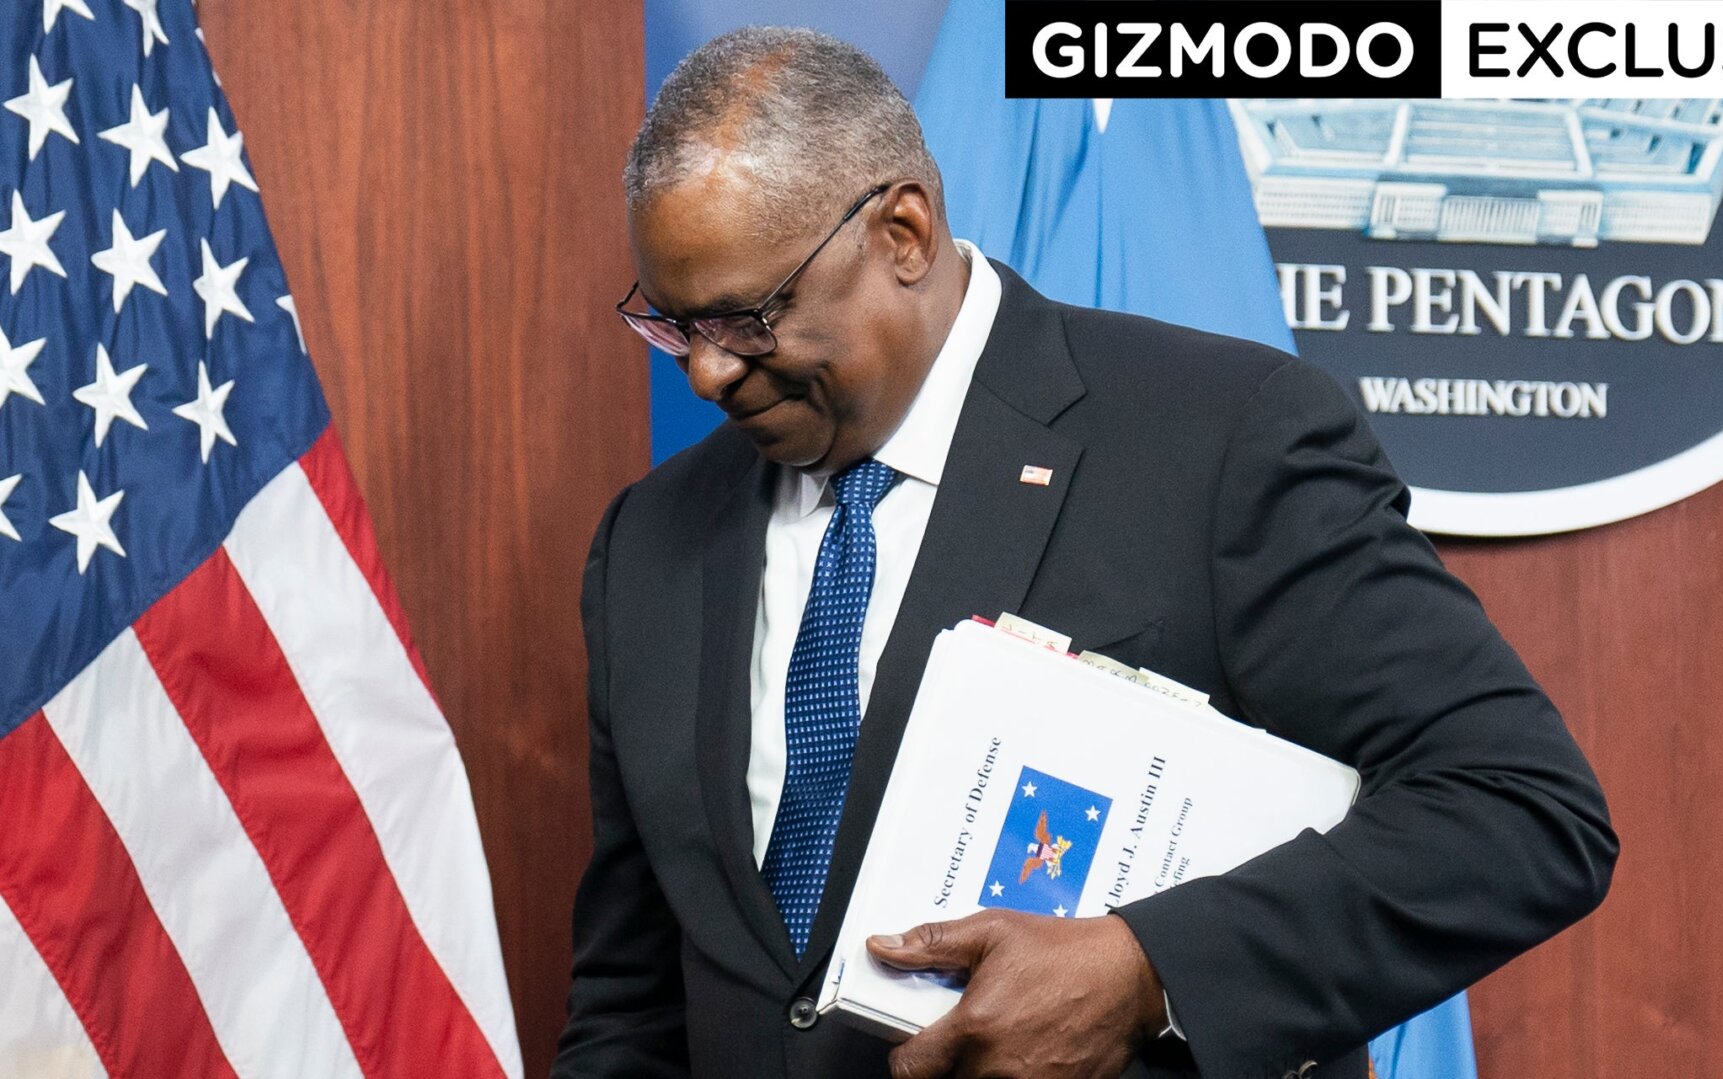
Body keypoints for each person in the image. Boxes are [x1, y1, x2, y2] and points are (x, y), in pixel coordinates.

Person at [555, 27, 1616, 1079]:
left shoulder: (1221, 439)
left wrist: (1152, 970)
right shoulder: (651, 543)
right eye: (672, 324)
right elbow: (634, 1001)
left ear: (905, 234)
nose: (706, 374)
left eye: (748, 318)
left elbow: (1518, 808)